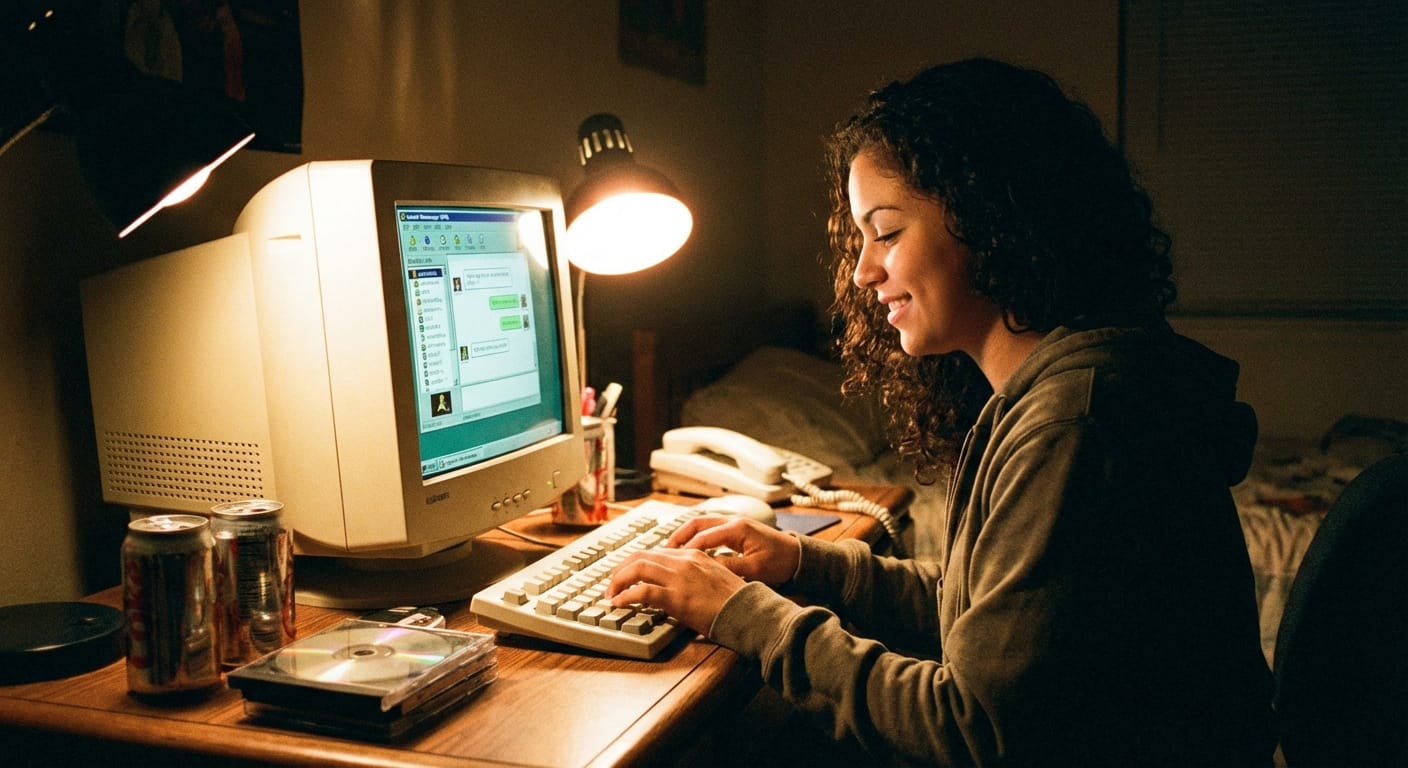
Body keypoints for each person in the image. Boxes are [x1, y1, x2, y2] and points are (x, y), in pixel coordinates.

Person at [607, 58, 1273, 766]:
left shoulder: (1074, 423)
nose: (863, 271)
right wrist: (803, 562)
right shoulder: (1059, 390)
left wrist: (743, 615)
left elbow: (972, 727)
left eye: (887, 232)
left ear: (991, 221)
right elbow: (986, 612)